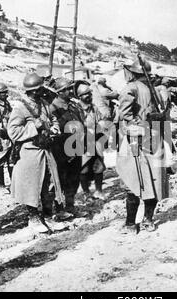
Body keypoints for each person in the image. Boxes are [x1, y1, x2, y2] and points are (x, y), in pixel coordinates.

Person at [115, 58, 169, 233]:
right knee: (152, 180)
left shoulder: (131, 88)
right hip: (154, 137)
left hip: (136, 139)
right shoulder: (155, 89)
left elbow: (124, 113)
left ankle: (131, 224)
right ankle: (148, 220)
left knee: (133, 181)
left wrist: (138, 123)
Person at [7, 73, 63, 233]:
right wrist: (35, 127)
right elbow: (13, 132)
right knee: (31, 186)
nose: (42, 92)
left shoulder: (44, 103)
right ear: (31, 91)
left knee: (49, 184)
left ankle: (48, 216)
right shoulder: (20, 108)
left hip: (46, 150)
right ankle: (33, 219)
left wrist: (54, 127)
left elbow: (52, 119)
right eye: (39, 90)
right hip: (29, 153)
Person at [50, 77, 88, 217]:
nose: (69, 91)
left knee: (74, 178)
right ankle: (59, 209)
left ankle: (70, 206)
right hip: (61, 148)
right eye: (65, 89)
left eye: (69, 88)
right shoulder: (53, 107)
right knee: (60, 178)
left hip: (76, 145)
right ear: (58, 92)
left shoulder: (73, 105)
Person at [76, 83, 108, 201]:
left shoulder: (94, 108)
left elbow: (101, 120)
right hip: (84, 141)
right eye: (86, 94)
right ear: (80, 96)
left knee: (99, 167)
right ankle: (86, 192)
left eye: (90, 93)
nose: (89, 96)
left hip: (96, 139)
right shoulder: (77, 109)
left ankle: (99, 191)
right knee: (84, 168)